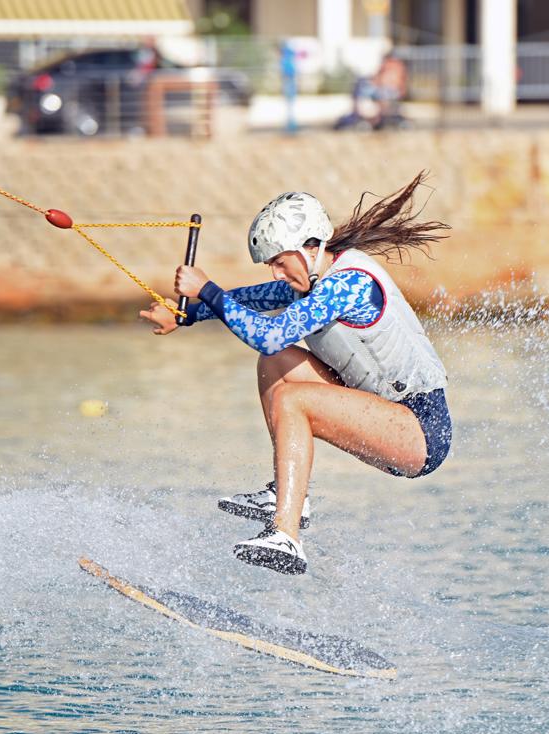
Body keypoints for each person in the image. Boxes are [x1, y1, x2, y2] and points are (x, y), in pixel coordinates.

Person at [138, 173, 452, 575]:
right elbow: (243, 302)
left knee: (291, 394)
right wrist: (185, 314)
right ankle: (289, 498)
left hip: (419, 432)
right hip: (376, 408)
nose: (275, 274)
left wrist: (207, 289)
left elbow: (266, 334)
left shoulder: (348, 285)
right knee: (276, 363)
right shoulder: (309, 281)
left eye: (279, 262)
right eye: (271, 265)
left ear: (311, 247)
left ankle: (286, 535)